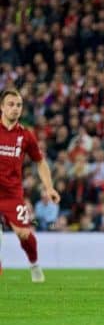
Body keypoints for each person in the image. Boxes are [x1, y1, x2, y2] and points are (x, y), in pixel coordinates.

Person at [0, 89, 61, 282]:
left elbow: (40, 162)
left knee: (24, 234)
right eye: (10, 104)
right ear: (1, 107)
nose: (15, 109)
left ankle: (34, 264)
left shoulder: (26, 135)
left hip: (12, 193)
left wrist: (49, 188)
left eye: (18, 105)